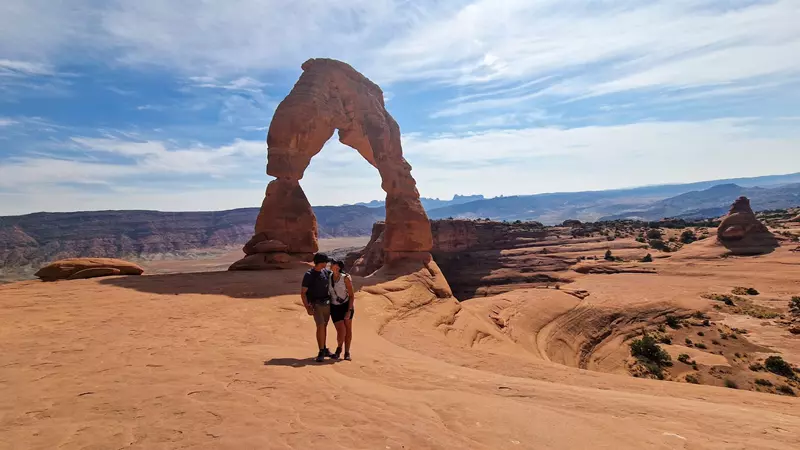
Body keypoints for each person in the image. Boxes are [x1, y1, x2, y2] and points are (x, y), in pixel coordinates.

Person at [301, 253, 334, 362]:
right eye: (326, 261)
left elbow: (336, 276)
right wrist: (307, 307)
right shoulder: (309, 275)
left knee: (324, 326)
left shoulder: (325, 272)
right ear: (321, 262)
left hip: (327, 304)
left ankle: (324, 348)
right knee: (320, 326)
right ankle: (321, 351)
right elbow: (303, 293)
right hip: (316, 305)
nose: (327, 263)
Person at [328, 260, 355, 360]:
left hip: (346, 306)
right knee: (341, 330)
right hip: (334, 307)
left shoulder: (345, 278)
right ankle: (339, 348)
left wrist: (349, 310)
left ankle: (347, 352)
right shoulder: (329, 276)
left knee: (348, 330)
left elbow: (351, 295)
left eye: (333, 264)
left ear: (338, 267)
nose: (330, 265)